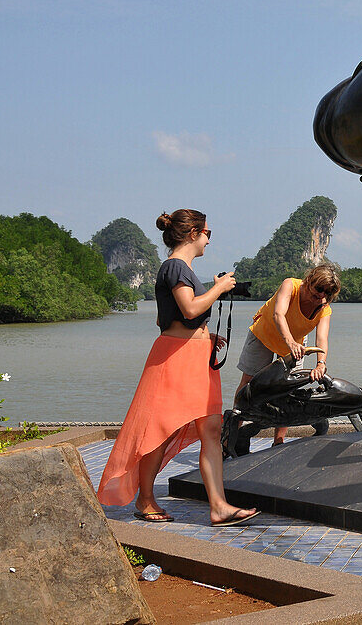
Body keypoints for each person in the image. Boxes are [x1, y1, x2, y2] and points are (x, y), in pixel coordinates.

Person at [97, 209, 259, 527]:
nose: (209, 240)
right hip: (175, 360)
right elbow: (188, 307)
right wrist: (219, 289)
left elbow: (166, 317)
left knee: (212, 431)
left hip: (197, 357)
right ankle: (144, 499)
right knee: (160, 430)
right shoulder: (174, 266)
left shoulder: (184, 271)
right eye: (207, 233)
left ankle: (219, 506)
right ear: (193, 234)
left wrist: (204, 335)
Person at [235, 264, 341, 445]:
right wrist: (290, 342)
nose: (322, 295)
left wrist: (321, 364)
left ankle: (279, 439)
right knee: (249, 382)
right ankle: (233, 432)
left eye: (328, 292)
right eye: (319, 288)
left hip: (295, 342)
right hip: (265, 333)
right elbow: (278, 314)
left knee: (287, 388)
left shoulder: (324, 307)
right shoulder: (291, 285)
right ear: (309, 281)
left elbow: (322, 338)